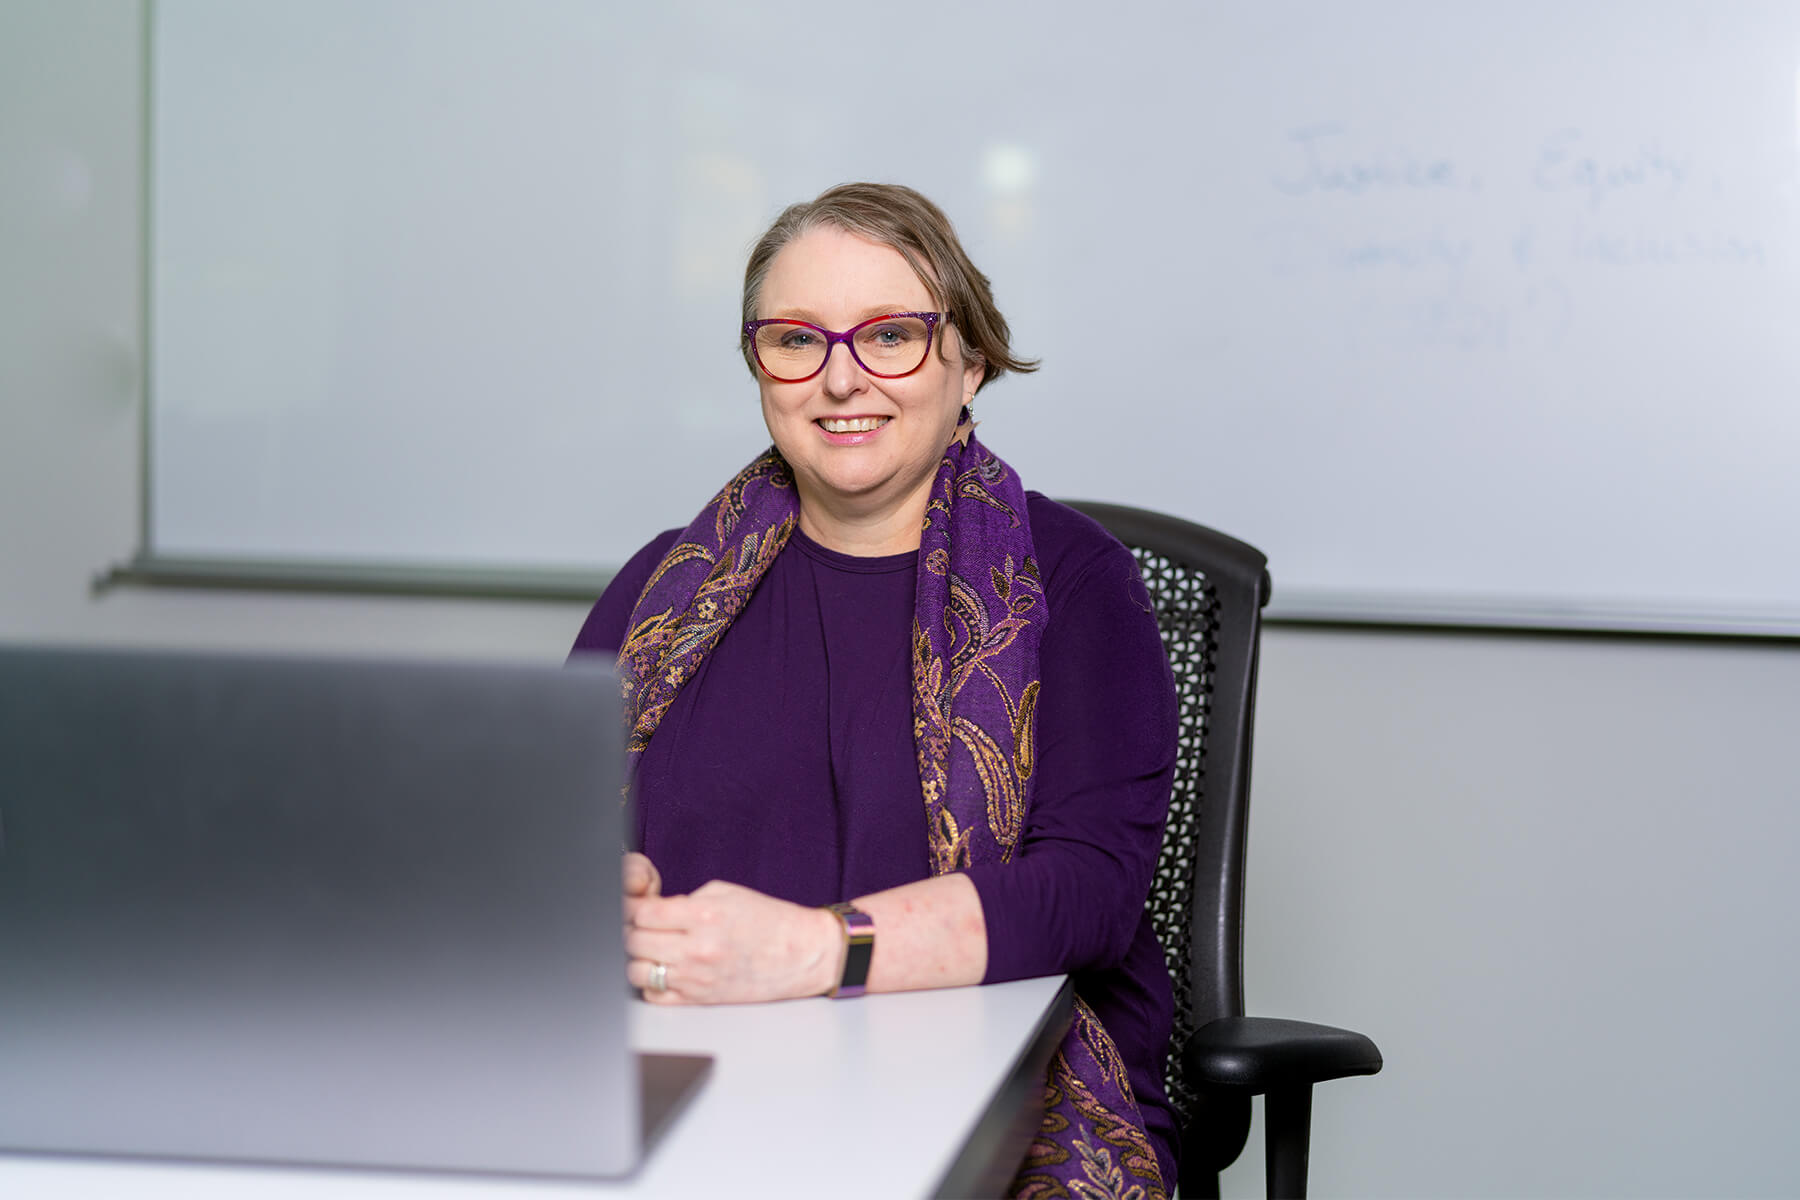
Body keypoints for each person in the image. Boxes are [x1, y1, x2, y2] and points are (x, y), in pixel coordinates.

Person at [570, 182, 1180, 1197]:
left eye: (891, 335)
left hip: (987, 1095)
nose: (840, 380)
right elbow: (536, 845)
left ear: (969, 360)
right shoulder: (656, 589)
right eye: (797, 339)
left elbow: (1089, 898)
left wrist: (817, 950)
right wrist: (585, 895)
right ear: (760, 366)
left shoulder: (1077, 582)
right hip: (685, 1076)